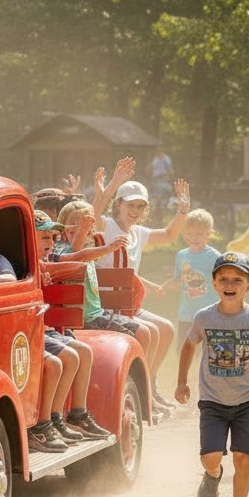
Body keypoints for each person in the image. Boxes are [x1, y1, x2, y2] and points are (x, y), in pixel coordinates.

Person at [175, 252, 249, 497]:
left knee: (244, 457)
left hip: (247, 400)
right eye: (223, 279)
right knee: (210, 456)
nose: (230, 284)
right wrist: (182, 382)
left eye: (237, 279)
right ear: (214, 284)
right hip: (212, 400)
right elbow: (188, 346)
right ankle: (213, 475)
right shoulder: (204, 317)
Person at [98, 175, 192, 415]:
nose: (135, 211)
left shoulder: (138, 232)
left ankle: (149, 385)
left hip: (129, 304)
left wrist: (182, 211)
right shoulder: (107, 225)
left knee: (167, 329)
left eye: (140, 206)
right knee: (148, 331)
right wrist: (106, 190)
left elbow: (169, 235)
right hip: (108, 305)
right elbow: (90, 217)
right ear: (119, 204)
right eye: (131, 205)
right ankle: (142, 392)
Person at [55, 201, 159, 371]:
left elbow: (86, 248)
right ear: (62, 231)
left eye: (87, 230)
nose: (80, 234)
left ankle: (138, 381)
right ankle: (130, 376)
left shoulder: (89, 249)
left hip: (98, 314)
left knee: (144, 332)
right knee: (137, 335)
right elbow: (77, 252)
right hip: (85, 318)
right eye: (73, 230)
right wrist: (87, 233)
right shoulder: (62, 251)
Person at [34, 211, 110, 444]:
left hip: (48, 327)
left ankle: (74, 414)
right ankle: (46, 422)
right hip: (33, 329)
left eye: (52, 237)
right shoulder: (23, 264)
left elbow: (77, 256)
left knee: (84, 352)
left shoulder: (50, 260)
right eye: (44, 237)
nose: (50, 243)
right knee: (64, 359)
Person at [159, 208, 221, 375]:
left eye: (199, 234)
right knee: (184, 350)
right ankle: (186, 380)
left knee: (209, 351)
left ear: (209, 234)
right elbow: (179, 279)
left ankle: (207, 382)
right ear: (184, 233)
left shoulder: (215, 257)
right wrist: (164, 287)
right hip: (186, 313)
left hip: (209, 314)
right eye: (190, 234)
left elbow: (222, 282)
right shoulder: (181, 255)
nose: (194, 238)